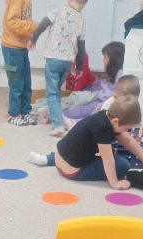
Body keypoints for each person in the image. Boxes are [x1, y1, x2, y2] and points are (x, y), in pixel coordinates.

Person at [27, 95, 143, 191]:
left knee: (78, 148)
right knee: (122, 165)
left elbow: (128, 140)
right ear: (116, 121)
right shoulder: (103, 128)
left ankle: (46, 159)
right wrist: (115, 183)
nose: (126, 132)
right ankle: (48, 160)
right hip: (73, 171)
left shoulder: (106, 115)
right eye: (126, 129)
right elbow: (107, 159)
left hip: (60, 157)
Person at [29, 0, 87, 137]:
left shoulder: (58, 10)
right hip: (67, 61)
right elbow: (81, 46)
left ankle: (58, 125)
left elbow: (42, 25)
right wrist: (79, 67)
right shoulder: (81, 19)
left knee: (53, 94)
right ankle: (53, 115)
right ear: (85, 4)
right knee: (55, 92)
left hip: (53, 58)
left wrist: (33, 39)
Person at [58, 41, 125, 122]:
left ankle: (72, 121)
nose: (103, 60)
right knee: (80, 107)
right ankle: (60, 115)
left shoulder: (120, 75)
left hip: (102, 100)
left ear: (113, 59)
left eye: (105, 57)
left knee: (87, 111)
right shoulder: (113, 72)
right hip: (100, 97)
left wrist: (100, 105)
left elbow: (113, 97)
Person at [1, 0, 38, 126]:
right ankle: (13, 114)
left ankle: (25, 112)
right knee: (16, 83)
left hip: (22, 47)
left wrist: (31, 37)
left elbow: (24, 21)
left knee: (26, 82)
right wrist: (35, 27)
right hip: (11, 48)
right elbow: (12, 22)